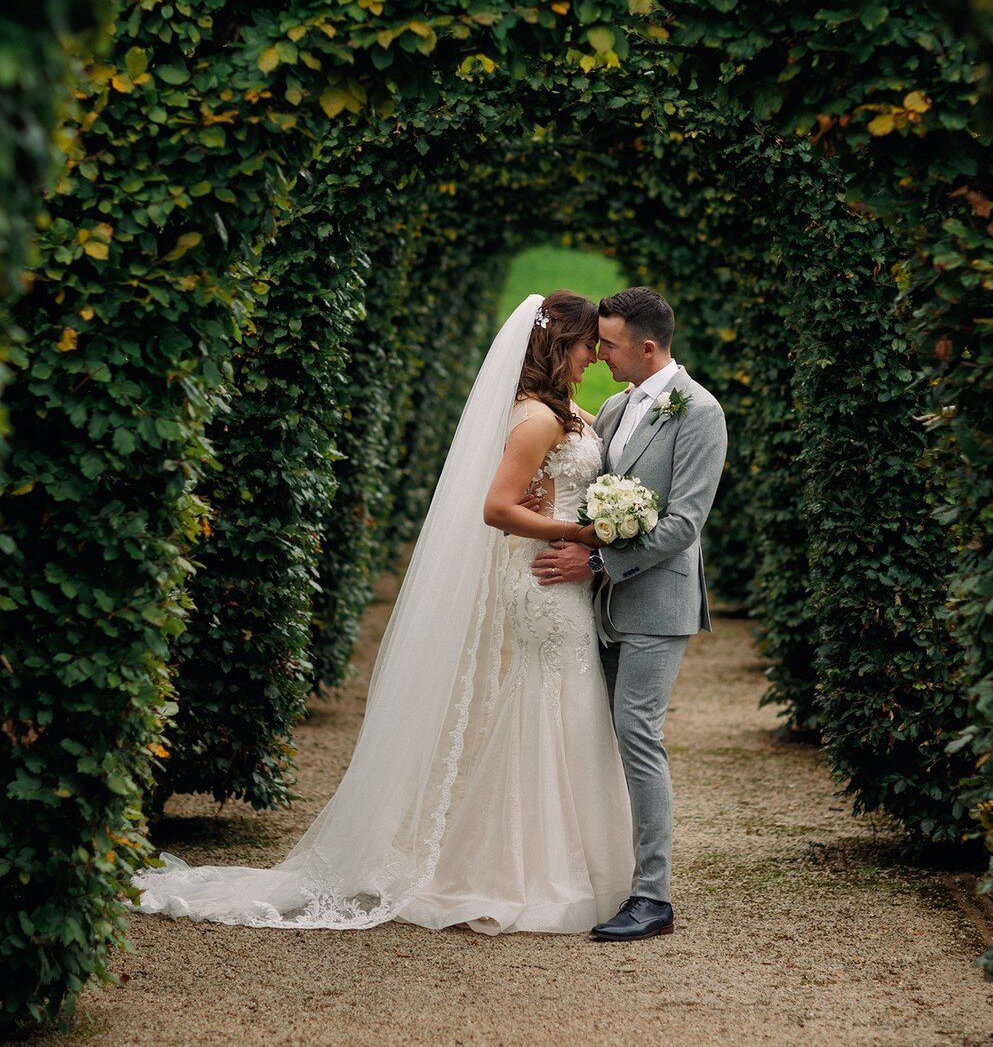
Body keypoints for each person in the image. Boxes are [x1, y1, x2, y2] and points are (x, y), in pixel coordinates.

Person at [131, 291, 634, 934]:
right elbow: (497, 509)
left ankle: (555, 860)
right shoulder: (535, 419)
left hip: (561, 579)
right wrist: (586, 534)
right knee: (561, 701)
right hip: (544, 583)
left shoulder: (562, 412)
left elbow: (580, 456)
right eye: (588, 344)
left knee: (555, 703)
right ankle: (541, 871)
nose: (594, 356)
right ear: (558, 345)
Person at [533, 287, 727, 942]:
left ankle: (653, 897)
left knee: (638, 734)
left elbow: (682, 524)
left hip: (657, 602)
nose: (599, 351)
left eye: (608, 343)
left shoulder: (700, 413)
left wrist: (593, 563)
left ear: (646, 347)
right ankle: (607, 872)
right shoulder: (615, 405)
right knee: (605, 734)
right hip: (603, 603)